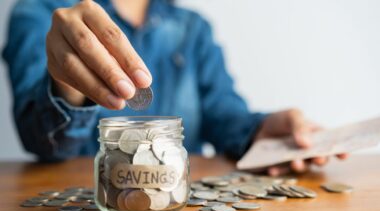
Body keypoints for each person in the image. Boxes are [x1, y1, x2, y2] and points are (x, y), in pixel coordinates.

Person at [2, 0, 347, 176]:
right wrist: (66, 80)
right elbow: (42, 141)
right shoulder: (42, 12)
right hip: (91, 200)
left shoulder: (192, 27)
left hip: (176, 195)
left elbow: (223, 113)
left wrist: (260, 130)